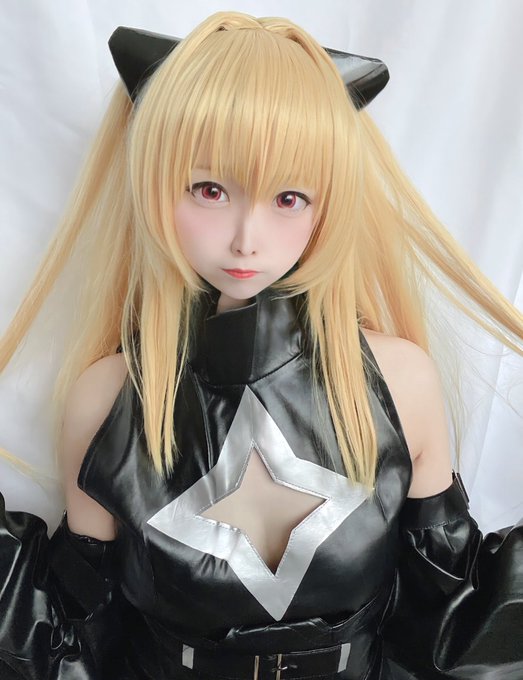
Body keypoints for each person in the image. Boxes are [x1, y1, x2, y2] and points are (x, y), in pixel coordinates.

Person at [0, 10, 522, 680]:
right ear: (156, 182)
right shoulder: (105, 402)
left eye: (289, 197)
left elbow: (448, 621)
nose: (247, 238)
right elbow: (78, 639)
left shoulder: (398, 382)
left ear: (329, 202)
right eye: (210, 189)